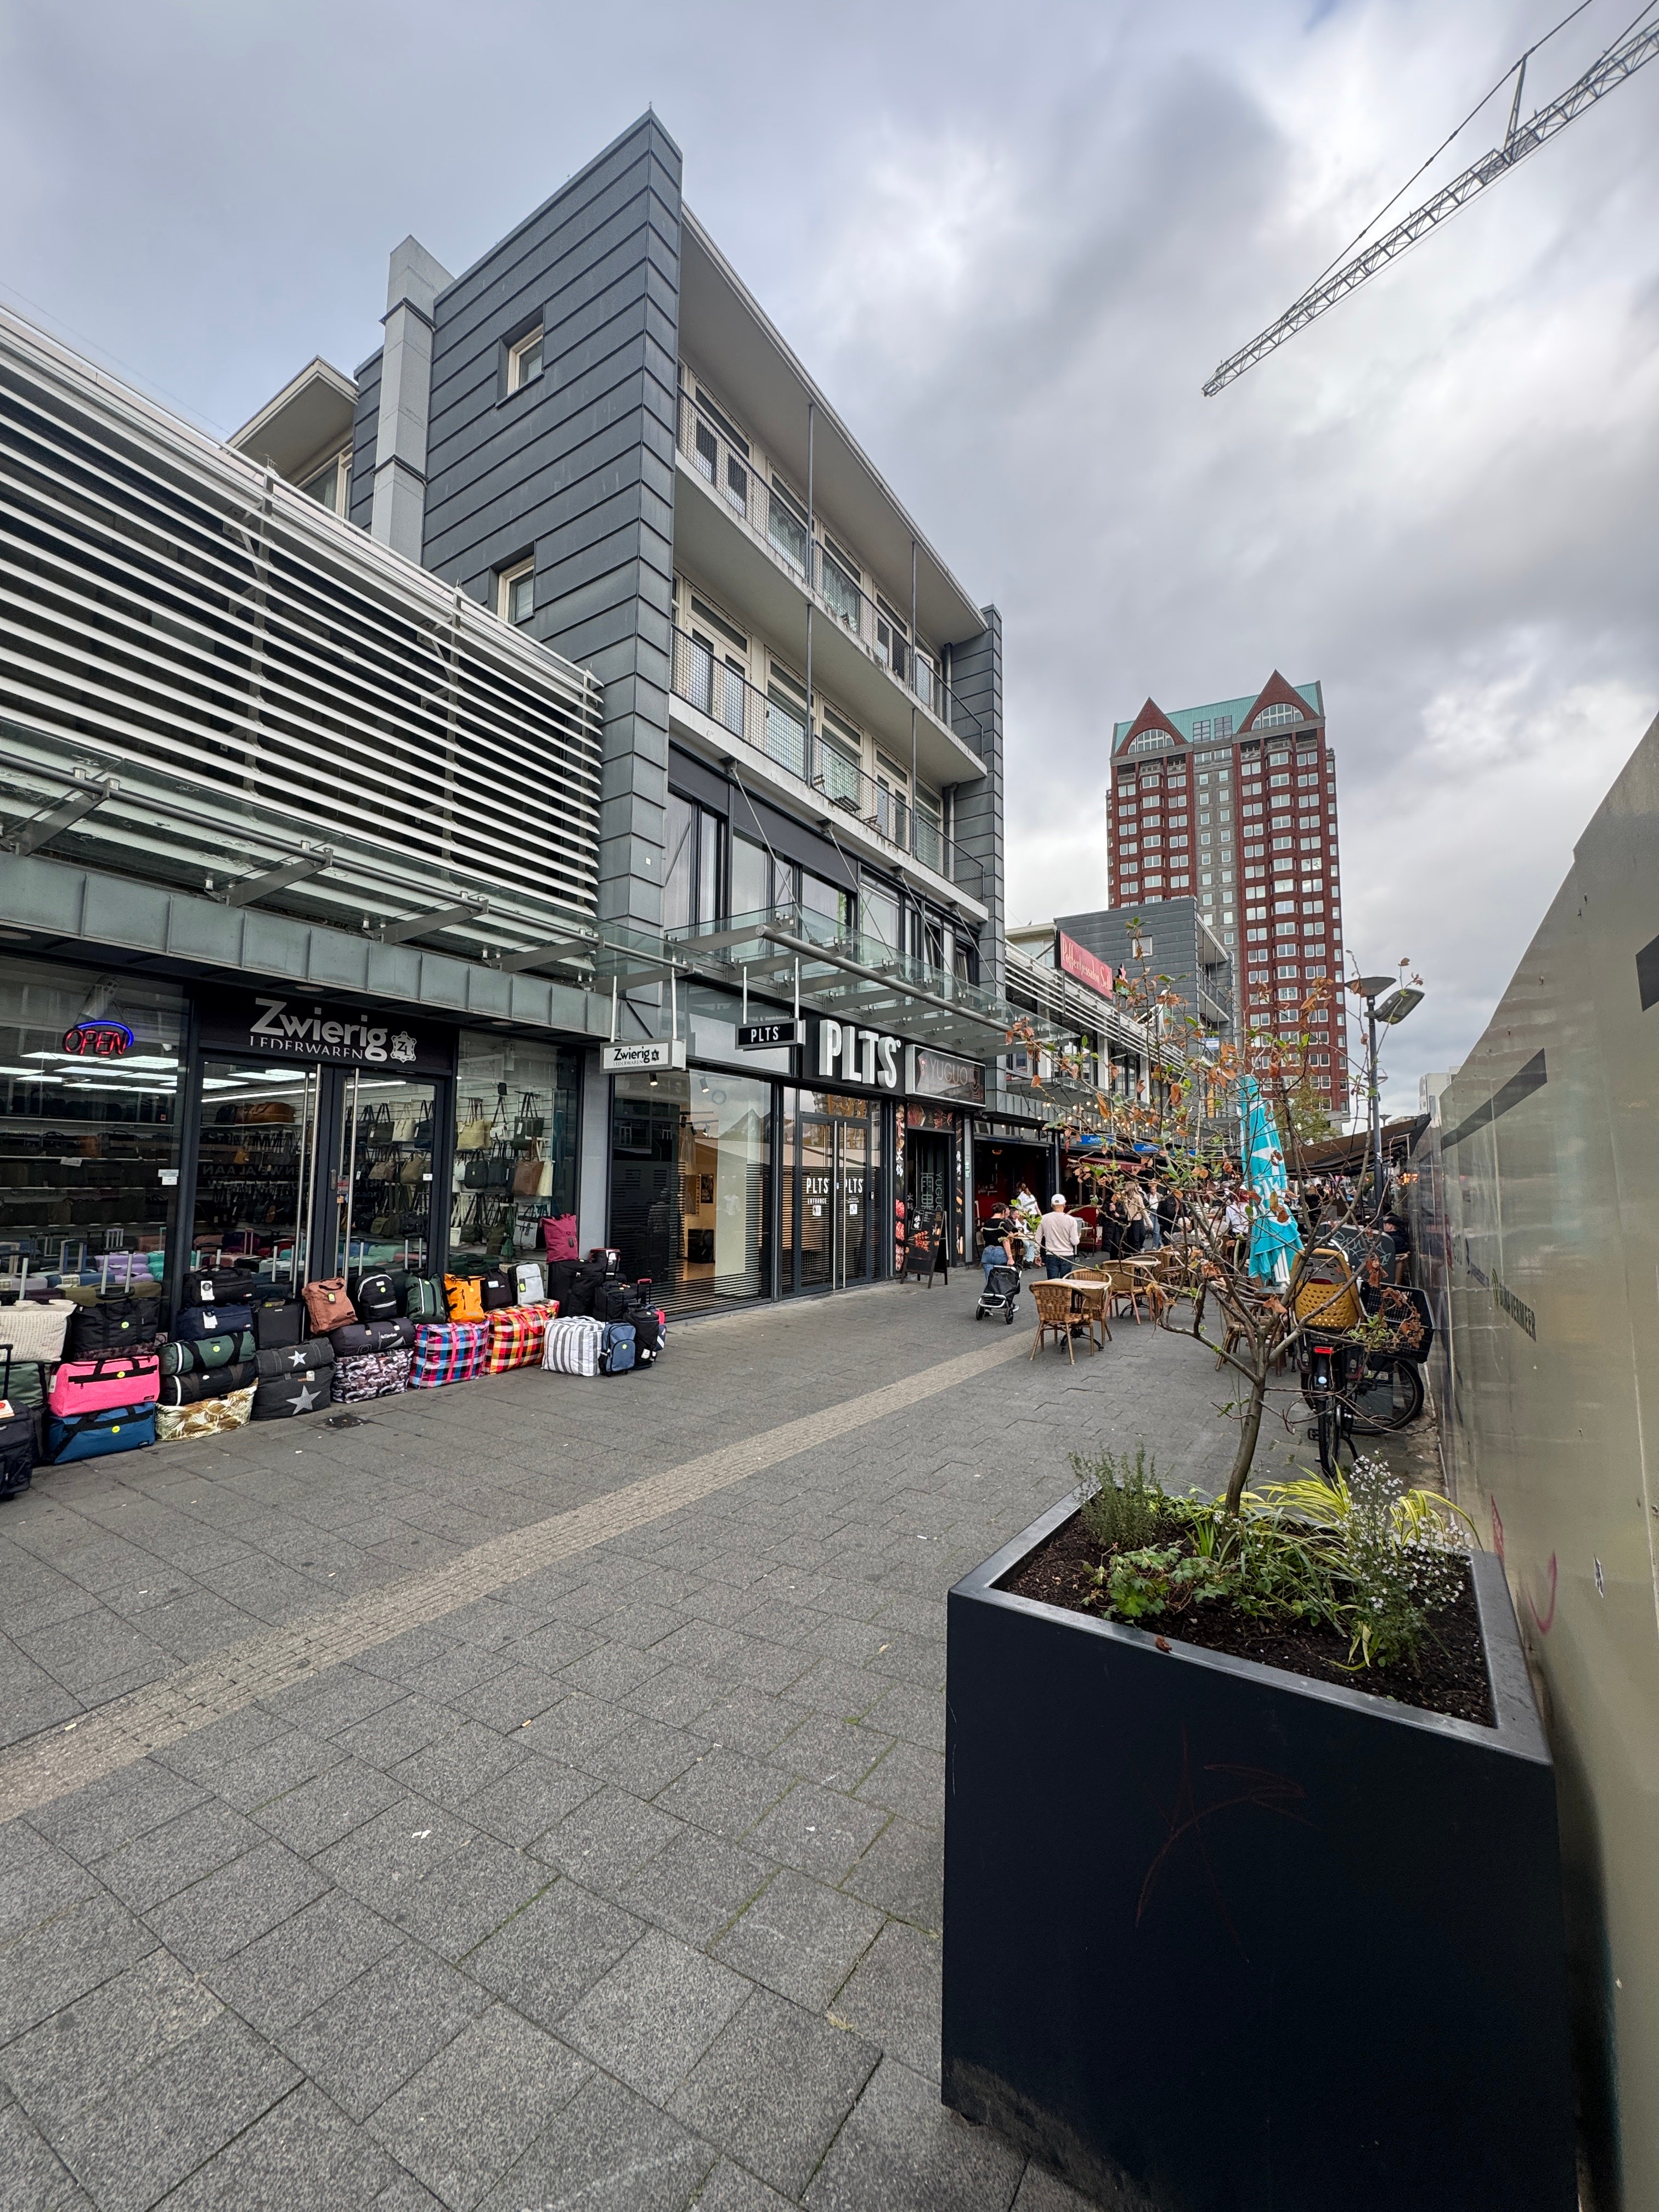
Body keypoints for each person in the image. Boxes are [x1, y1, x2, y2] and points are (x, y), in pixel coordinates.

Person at [1036, 1193, 1082, 1278]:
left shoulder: (1043, 1219)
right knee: (1064, 1282)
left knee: (1053, 1283)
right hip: (1067, 1255)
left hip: (1051, 1254)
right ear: (1064, 1205)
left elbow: (1037, 1239)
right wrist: (1078, 1237)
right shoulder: (1071, 1220)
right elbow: (1075, 1242)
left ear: (1051, 1205)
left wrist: (1037, 1255)